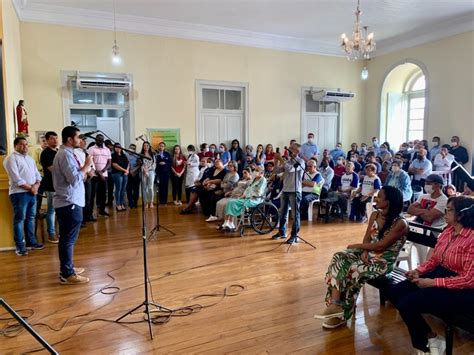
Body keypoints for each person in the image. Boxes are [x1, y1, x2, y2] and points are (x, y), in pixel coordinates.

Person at [314, 186, 408, 329]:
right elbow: (367, 238)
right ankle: (335, 305)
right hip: (369, 254)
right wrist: (363, 250)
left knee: (353, 269)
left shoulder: (400, 223)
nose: (375, 197)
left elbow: (381, 246)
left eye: (380, 196)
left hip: (382, 262)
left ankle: (344, 313)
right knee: (339, 257)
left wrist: (357, 246)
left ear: (389, 201)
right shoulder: (375, 215)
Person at [389, 196, 474, 355]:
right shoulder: (448, 230)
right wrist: (419, 271)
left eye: (449, 210)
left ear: (461, 215)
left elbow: (469, 279)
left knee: (408, 303)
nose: (445, 212)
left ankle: (425, 344)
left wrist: (433, 282)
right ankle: (432, 338)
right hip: (442, 274)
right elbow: (436, 259)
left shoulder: (472, 238)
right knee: (395, 292)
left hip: (463, 288)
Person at [52, 126, 93, 284]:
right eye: (78, 137)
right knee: (67, 239)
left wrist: (83, 170)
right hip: (69, 202)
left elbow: (77, 178)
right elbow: (75, 179)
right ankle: (67, 274)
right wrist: (87, 165)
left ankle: (68, 267)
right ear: (69, 139)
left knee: (67, 239)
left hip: (71, 201)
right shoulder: (65, 155)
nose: (81, 140)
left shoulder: (68, 153)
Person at [3, 137, 44, 256]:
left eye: (26, 144)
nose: (25, 146)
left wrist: (36, 186)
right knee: (20, 219)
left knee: (31, 218)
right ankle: (20, 247)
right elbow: (16, 179)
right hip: (19, 193)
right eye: (22, 144)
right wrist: (31, 188)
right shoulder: (10, 159)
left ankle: (31, 242)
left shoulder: (30, 159)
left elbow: (38, 175)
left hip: (32, 192)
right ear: (15, 145)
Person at [272, 142, 305, 244]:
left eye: (292, 148)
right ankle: (282, 232)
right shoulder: (288, 161)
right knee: (283, 213)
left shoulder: (300, 161)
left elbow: (290, 169)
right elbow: (276, 171)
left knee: (295, 215)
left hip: (295, 191)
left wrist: (281, 160)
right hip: (285, 190)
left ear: (297, 151)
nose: (289, 149)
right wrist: (276, 161)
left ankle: (294, 236)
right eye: (289, 148)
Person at [220, 166, 267, 231]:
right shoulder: (255, 179)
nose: (255, 172)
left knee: (233, 203)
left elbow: (259, 192)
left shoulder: (263, 180)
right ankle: (228, 222)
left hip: (255, 199)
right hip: (247, 197)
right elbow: (248, 189)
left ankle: (230, 223)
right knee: (230, 202)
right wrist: (243, 195)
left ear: (261, 172)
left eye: (257, 170)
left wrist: (248, 196)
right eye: (255, 170)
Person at [39, 131, 59, 243]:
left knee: (59, 210)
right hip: (50, 185)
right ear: (47, 140)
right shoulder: (45, 153)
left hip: (60, 186)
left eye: (56, 138)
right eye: (52, 138)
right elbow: (53, 169)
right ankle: (51, 234)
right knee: (51, 210)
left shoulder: (58, 151)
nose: (55, 140)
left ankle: (59, 231)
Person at [88, 134, 112, 216]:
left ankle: (102, 210)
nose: (100, 141)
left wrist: (103, 171)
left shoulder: (107, 150)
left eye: (101, 139)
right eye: (98, 139)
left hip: (104, 174)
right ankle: (90, 213)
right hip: (94, 175)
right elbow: (90, 161)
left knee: (103, 193)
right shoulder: (91, 149)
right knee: (92, 194)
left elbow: (109, 162)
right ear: (95, 140)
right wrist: (97, 172)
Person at [75, 135, 96, 222]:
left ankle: (88, 215)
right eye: (83, 140)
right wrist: (88, 172)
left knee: (89, 197)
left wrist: (92, 170)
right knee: (82, 198)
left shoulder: (85, 152)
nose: (85, 142)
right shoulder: (75, 152)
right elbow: (79, 165)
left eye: (85, 141)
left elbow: (92, 164)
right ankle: (82, 218)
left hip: (89, 177)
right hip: (82, 177)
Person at [111, 143, 129, 211]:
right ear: (114, 148)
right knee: (118, 189)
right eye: (116, 147)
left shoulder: (124, 155)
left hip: (124, 173)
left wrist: (127, 170)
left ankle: (122, 204)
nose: (118, 148)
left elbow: (128, 163)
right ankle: (118, 204)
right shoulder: (113, 155)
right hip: (117, 173)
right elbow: (115, 165)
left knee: (123, 190)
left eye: (119, 147)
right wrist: (124, 170)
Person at [140, 141, 156, 208]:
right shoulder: (140, 154)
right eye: (144, 145)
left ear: (149, 147)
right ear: (143, 147)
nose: (145, 147)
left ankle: (151, 202)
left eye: (147, 145)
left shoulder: (152, 154)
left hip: (151, 171)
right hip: (143, 172)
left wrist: (148, 169)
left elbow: (154, 164)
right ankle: (146, 202)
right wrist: (144, 169)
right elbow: (140, 164)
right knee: (144, 188)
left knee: (150, 187)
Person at [125, 143, 140, 209]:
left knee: (136, 189)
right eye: (130, 148)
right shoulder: (125, 155)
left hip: (136, 174)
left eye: (133, 149)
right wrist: (130, 171)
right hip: (128, 174)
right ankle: (130, 202)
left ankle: (135, 202)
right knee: (129, 189)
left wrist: (133, 171)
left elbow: (139, 164)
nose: (132, 149)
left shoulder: (137, 156)